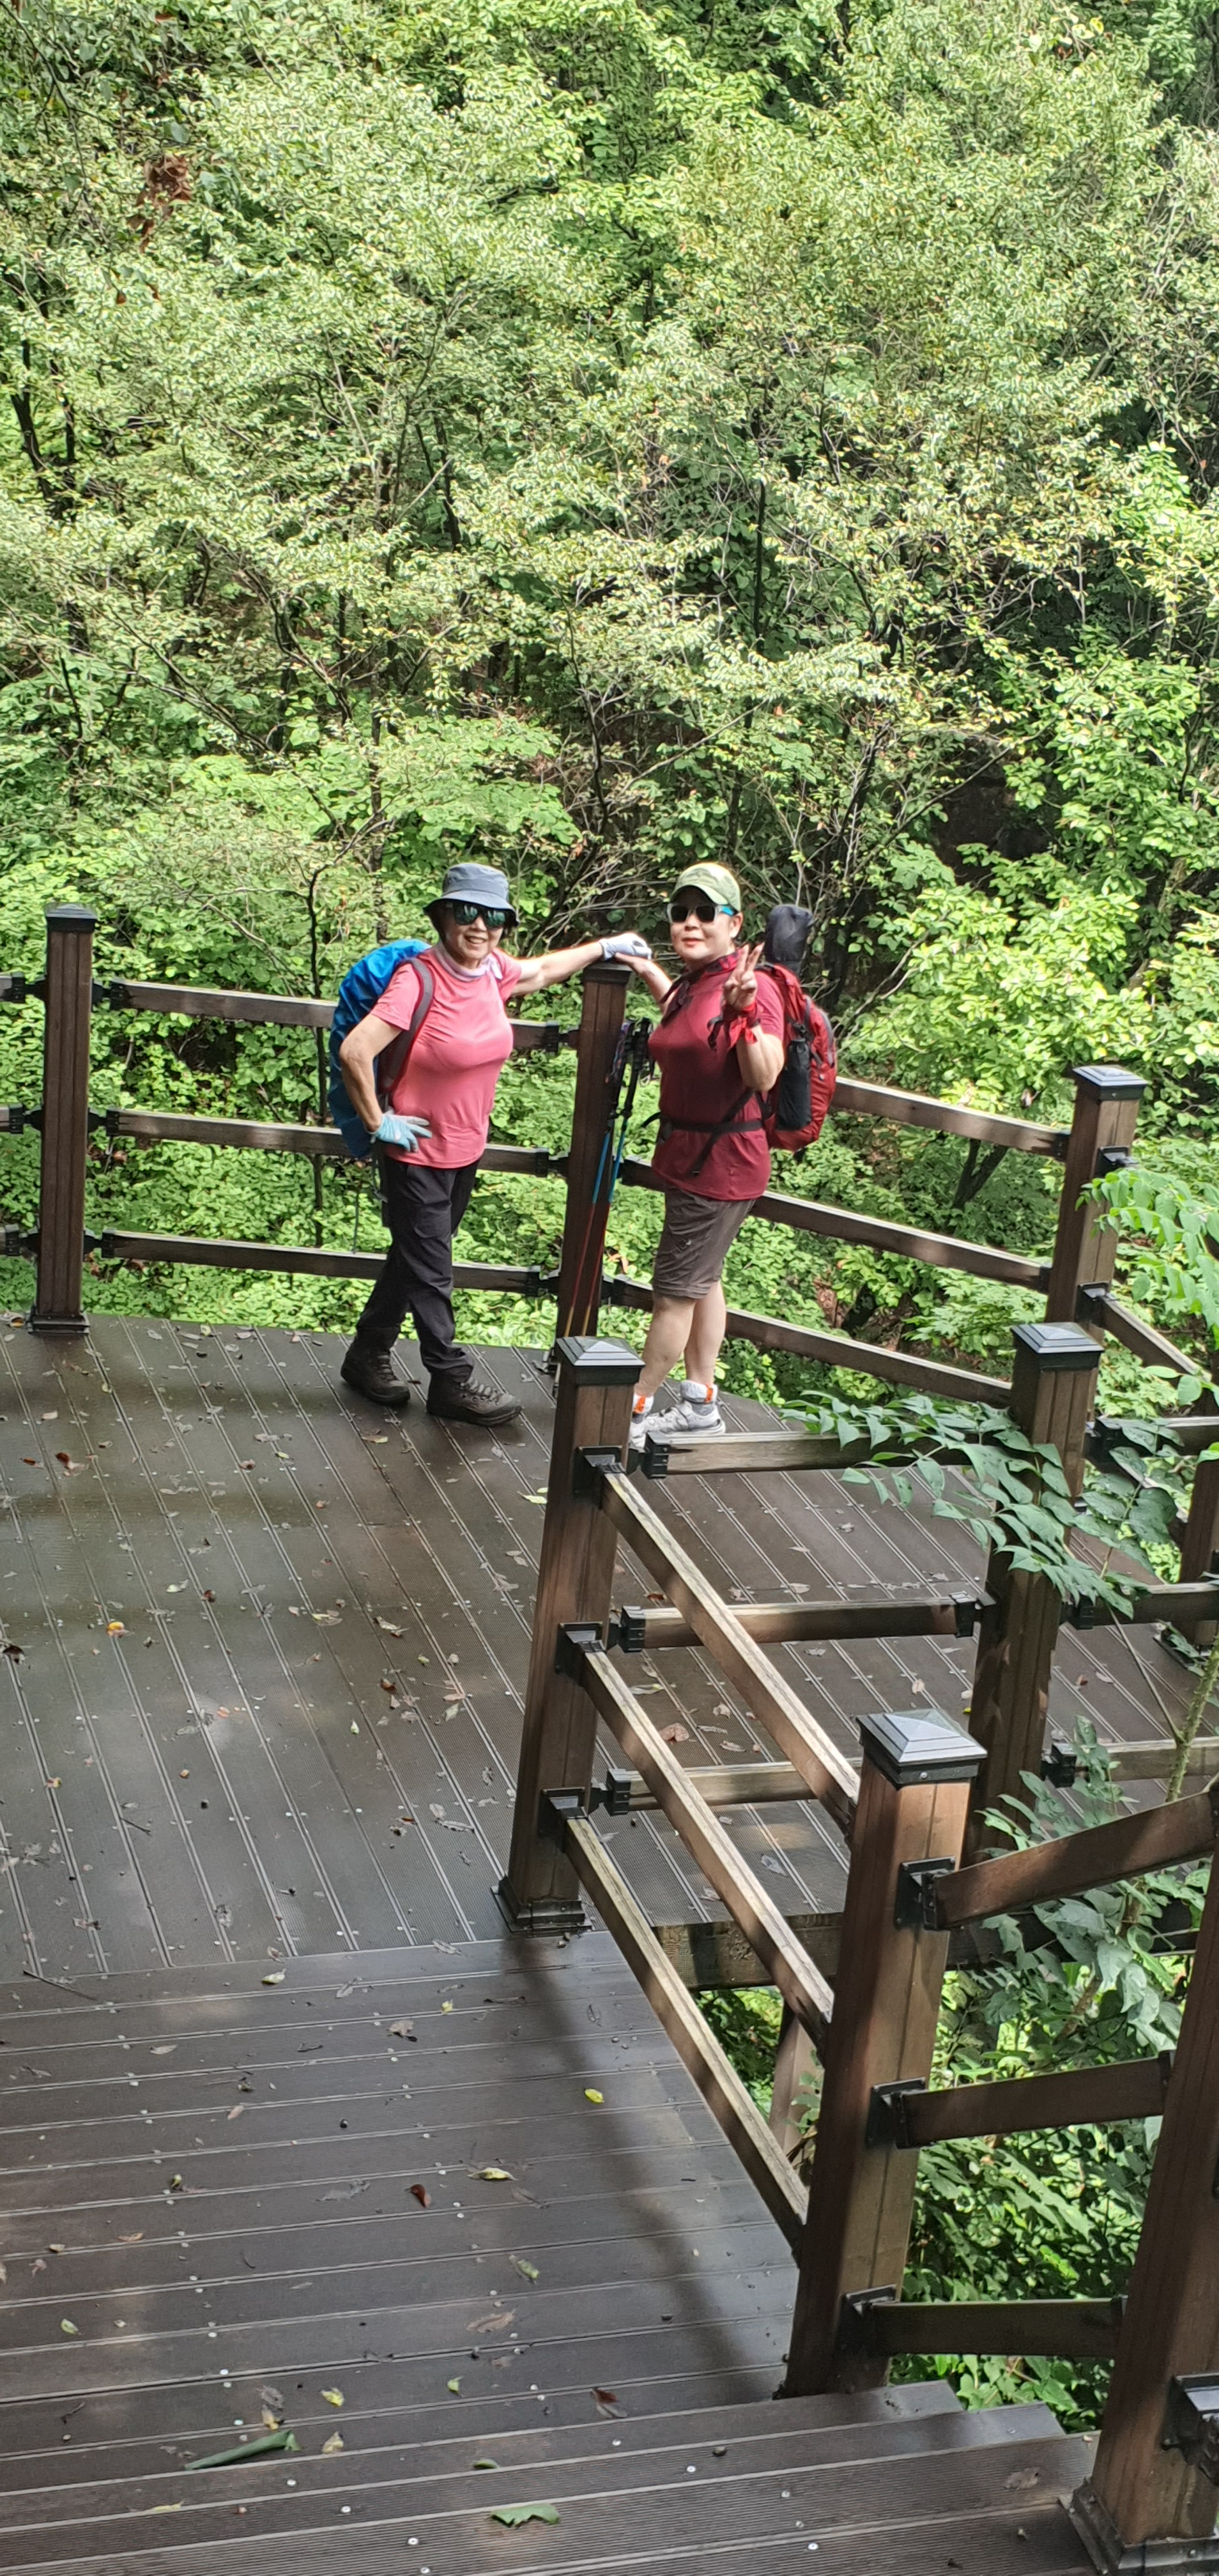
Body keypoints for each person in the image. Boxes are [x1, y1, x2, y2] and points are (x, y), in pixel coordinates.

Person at [337, 860, 650, 1425]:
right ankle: (450, 1380)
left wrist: (604, 947)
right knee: (433, 1269)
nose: (480, 926)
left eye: (494, 917)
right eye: (466, 912)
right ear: (443, 917)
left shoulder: (492, 972)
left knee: (416, 1257)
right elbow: (356, 1050)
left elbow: (542, 970)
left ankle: (367, 1353)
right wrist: (379, 1122)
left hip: (465, 1150)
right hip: (416, 1153)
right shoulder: (417, 980)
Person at [625, 862, 785, 1448]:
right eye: (680, 912)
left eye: (705, 912)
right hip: (694, 1160)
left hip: (720, 1166)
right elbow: (690, 1027)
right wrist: (649, 970)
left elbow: (764, 1075)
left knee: (673, 1293)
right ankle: (699, 1403)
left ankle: (632, 1411)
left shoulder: (751, 986)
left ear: (734, 923)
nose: (690, 922)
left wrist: (745, 1011)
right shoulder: (696, 983)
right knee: (701, 1280)